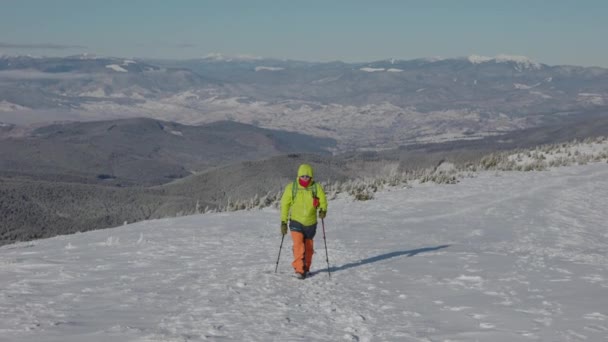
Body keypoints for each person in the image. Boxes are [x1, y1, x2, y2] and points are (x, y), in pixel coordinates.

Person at [280, 163, 327, 279]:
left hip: (311, 223)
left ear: (311, 176)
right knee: (298, 245)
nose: (305, 178)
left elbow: (323, 200)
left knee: (309, 248)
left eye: (307, 176)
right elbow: (285, 205)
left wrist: (323, 210)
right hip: (296, 221)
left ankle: (306, 267)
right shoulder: (292, 188)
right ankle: (299, 270)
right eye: (302, 176)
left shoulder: (316, 187)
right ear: (298, 176)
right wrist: (283, 222)